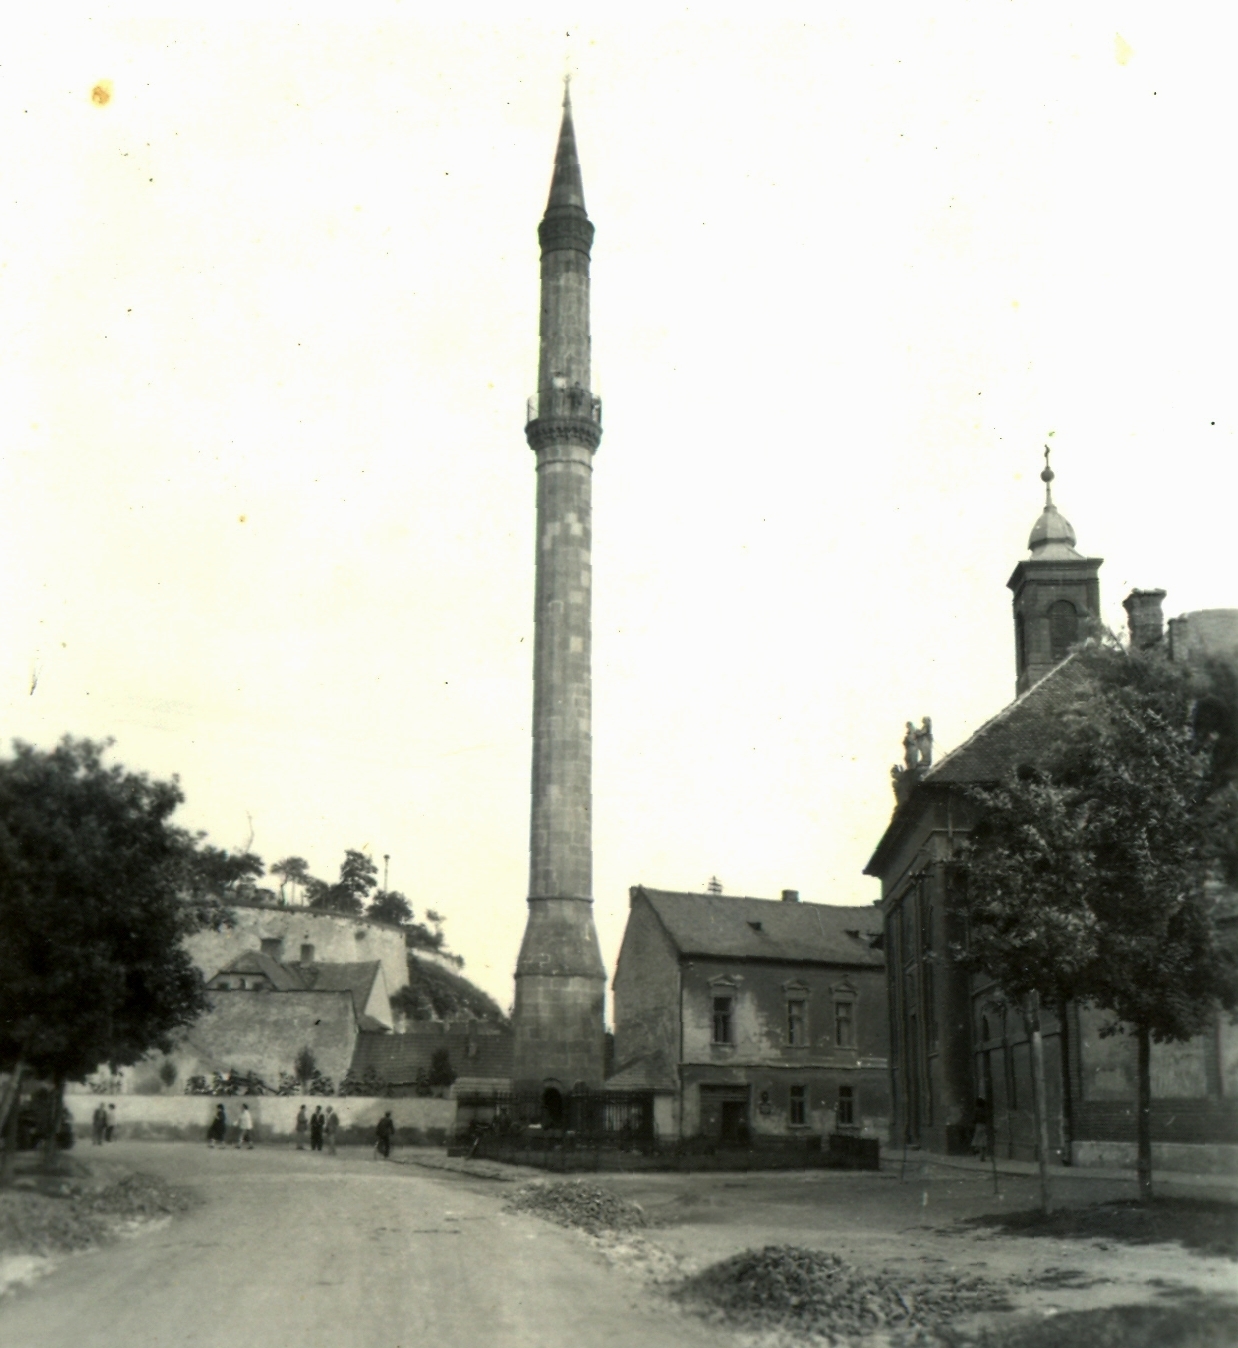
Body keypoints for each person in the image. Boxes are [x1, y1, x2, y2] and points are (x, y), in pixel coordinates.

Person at [971, 1097, 991, 1162]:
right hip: (985, 1125)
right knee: (983, 1141)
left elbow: (974, 1119)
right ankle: (983, 1156)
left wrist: (973, 1122)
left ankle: (977, 1151)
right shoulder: (985, 1110)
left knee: (978, 1140)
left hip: (979, 1125)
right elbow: (987, 1117)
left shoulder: (977, 1110)